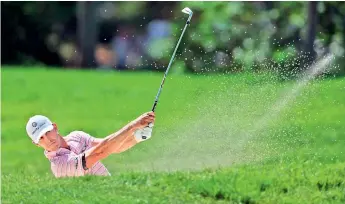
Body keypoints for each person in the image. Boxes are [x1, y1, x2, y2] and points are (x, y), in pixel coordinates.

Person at [25, 112, 155, 178]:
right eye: (41, 138)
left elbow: (112, 147)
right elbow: (100, 151)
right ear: (36, 144)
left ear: (55, 127)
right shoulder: (59, 165)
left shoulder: (77, 136)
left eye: (48, 132)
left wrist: (137, 137)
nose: (47, 139)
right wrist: (133, 126)